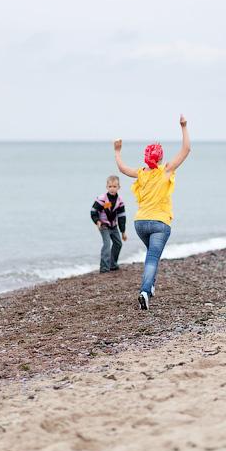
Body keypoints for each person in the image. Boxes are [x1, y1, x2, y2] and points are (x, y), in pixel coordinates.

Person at [114, 115, 191, 310]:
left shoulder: (141, 173)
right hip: (159, 224)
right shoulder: (166, 170)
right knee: (152, 257)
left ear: (146, 159)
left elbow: (122, 169)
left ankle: (151, 286)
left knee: (151, 254)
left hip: (140, 223)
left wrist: (117, 151)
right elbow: (186, 150)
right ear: (161, 158)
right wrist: (183, 127)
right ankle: (145, 291)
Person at [90, 175, 128, 273]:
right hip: (103, 225)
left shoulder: (120, 201)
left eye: (114, 186)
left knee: (118, 244)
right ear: (107, 187)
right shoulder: (102, 198)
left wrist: (123, 231)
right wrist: (97, 221)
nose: (112, 188)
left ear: (119, 187)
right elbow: (93, 211)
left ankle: (113, 264)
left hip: (113, 225)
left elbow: (121, 216)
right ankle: (104, 268)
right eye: (110, 186)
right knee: (107, 244)